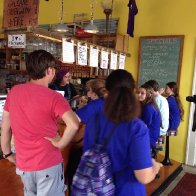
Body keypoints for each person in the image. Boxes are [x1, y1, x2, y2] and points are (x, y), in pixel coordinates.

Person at [1, 50, 80, 196]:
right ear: (49, 70)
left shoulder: (14, 92)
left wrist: (7, 153)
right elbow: (74, 124)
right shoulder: (54, 97)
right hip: (48, 163)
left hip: (24, 165)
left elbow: (5, 128)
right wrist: (61, 143)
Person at [75, 69, 162, 195]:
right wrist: (154, 167)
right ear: (133, 92)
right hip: (127, 191)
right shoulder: (137, 128)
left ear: (107, 91)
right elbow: (144, 176)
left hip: (96, 190)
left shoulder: (94, 120)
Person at [67, 78, 107, 193]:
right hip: (105, 146)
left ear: (93, 92)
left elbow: (74, 120)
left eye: (88, 91)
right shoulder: (108, 103)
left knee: (73, 166)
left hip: (91, 147)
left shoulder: (94, 105)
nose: (87, 93)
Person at [137, 84, 161, 155]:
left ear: (149, 95)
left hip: (150, 138)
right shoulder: (147, 105)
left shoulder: (149, 107)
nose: (139, 95)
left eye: (142, 93)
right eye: (138, 92)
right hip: (149, 134)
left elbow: (144, 126)